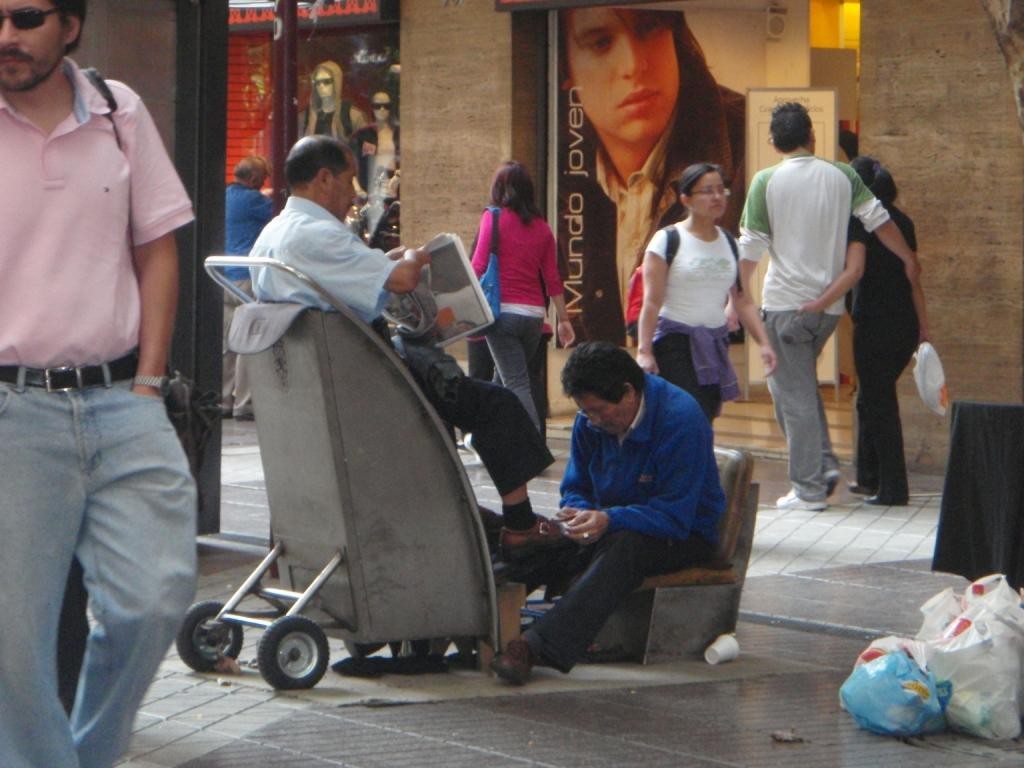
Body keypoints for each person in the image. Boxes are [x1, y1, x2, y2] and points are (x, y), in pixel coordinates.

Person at [0, 1, 198, 766]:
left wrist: (149, 383)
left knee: (153, 601)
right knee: (12, 648)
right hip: (12, 412)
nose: (6, 36)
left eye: (25, 17)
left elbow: (158, 249)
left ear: (71, 26)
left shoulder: (120, 112)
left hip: (124, 404)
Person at [251, 136, 565, 553]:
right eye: (348, 182)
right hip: (366, 382)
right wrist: (414, 257)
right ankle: (521, 526)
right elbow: (402, 280)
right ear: (324, 179)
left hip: (328, 378)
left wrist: (389, 259)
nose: (353, 195)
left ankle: (470, 516)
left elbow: (352, 275)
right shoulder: (318, 235)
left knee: (447, 374)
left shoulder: (276, 233)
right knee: (496, 404)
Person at [490, 342, 725, 684]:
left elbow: (674, 515)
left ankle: (533, 645)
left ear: (629, 393)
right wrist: (580, 515)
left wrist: (610, 519)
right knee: (534, 542)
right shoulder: (589, 422)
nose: (595, 421)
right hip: (609, 523)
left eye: (600, 411)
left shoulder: (680, 418)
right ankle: (476, 617)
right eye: (587, 412)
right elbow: (575, 487)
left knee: (625, 547)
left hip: (681, 534)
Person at [737, 102, 923, 512]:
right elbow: (879, 220)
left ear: (773, 141)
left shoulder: (765, 181)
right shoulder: (842, 175)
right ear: (812, 135)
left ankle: (810, 487)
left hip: (786, 303)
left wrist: (735, 290)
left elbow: (750, 246)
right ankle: (821, 465)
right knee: (791, 388)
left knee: (794, 394)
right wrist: (908, 256)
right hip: (830, 309)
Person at [557, 7, 745, 343]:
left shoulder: (746, 146)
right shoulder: (559, 164)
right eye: (601, 42)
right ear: (566, 72)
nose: (634, 65)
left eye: (649, 29)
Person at [802, 157, 929, 506]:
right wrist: (924, 327)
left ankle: (893, 487)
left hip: (874, 324)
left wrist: (819, 301)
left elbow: (850, 273)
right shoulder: (902, 221)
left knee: (879, 403)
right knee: (870, 400)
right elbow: (913, 277)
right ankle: (870, 476)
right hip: (903, 324)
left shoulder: (856, 223)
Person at [636, 162, 776, 423]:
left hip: (713, 341)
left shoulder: (730, 244)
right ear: (686, 199)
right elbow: (652, 302)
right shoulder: (667, 240)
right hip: (674, 341)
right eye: (707, 191)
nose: (716, 197)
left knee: (708, 412)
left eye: (721, 190)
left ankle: (697, 463)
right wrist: (644, 350)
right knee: (687, 414)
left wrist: (764, 343)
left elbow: (742, 299)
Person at [471, 161, 575, 432]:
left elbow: (478, 266)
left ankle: (529, 449)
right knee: (501, 378)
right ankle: (485, 435)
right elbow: (552, 279)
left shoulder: (492, 218)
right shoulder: (542, 228)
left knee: (516, 383)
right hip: (533, 319)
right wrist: (564, 320)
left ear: (499, 188)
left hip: (501, 315)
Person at [223, 154, 272, 420]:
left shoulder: (225, 196)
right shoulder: (255, 201)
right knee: (247, 339)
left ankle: (222, 400)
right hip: (246, 278)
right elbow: (281, 211)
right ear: (254, 179)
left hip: (222, 277)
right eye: (263, 178)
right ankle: (244, 402)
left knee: (227, 343)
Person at [302, 59, 366, 142]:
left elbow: (365, 149)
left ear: (336, 82)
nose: (321, 86)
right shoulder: (306, 117)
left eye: (326, 81)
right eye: (318, 82)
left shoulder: (353, 116)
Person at [350, 90, 399, 195]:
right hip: (371, 184)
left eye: (386, 106)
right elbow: (351, 163)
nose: (382, 109)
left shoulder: (399, 133)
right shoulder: (363, 134)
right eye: (378, 106)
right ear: (372, 108)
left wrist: (397, 178)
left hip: (396, 182)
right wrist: (358, 189)